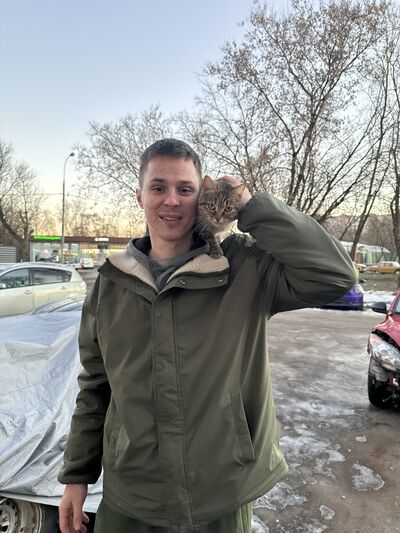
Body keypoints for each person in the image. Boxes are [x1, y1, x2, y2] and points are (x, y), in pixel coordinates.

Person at [58, 138, 356, 533]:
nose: (171, 200)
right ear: (140, 195)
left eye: (185, 189)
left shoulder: (244, 267)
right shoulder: (110, 284)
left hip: (220, 499)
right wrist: (77, 475)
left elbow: (335, 274)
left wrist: (252, 207)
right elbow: (96, 386)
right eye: (158, 187)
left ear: (201, 196)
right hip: (130, 497)